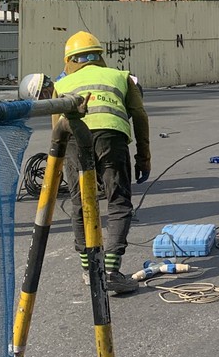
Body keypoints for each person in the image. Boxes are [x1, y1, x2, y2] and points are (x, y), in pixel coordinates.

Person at [53, 31, 150, 293]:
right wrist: (144, 157)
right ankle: (110, 271)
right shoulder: (120, 76)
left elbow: (56, 131)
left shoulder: (62, 84)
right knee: (118, 201)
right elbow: (140, 115)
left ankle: (89, 271)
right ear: (99, 56)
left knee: (81, 203)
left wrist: (59, 169)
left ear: (70, 60)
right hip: (111, 137)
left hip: (73, 138)